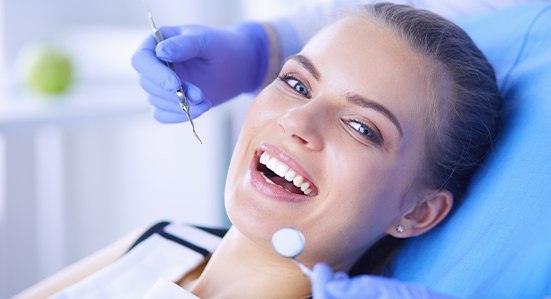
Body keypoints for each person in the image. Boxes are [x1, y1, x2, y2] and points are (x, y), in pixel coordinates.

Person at [15, 2, 502, 298]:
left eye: (361, 126)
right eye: (296, 83)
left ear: (418, 212)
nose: (297, 121)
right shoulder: (161, 239)